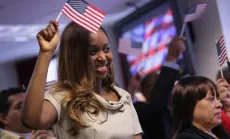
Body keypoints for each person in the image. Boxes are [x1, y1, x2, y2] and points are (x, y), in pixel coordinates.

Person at [21, 20, 142, 139]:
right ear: (75, 57)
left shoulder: (124, 96)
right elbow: (31, 120)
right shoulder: (63, 97)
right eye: (93, 51)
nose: (103, 57)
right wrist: (45, 53)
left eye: (106, 49)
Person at [127, 36, 185, 139]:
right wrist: (171, 59)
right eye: (159, 82)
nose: (169, 88)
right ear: (148, 91)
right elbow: (157, 107)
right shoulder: (142, 111)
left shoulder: (177, 110)